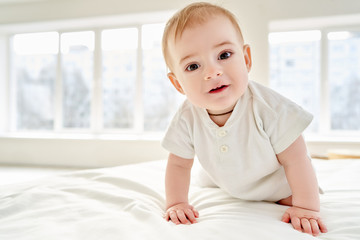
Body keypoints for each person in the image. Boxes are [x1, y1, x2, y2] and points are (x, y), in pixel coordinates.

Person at [161, 2, 327, 236]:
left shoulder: (270, 108)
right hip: (225, 181)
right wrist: (176, 202)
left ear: (246, 59)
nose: (212, 72)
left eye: (224, 55)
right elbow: (179, 164)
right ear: (178, 84)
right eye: (193, 66)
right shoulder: (187, 116)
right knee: (208, 176)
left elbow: (297, 159)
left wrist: (306, 207)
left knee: (291, 193)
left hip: (275, 185)